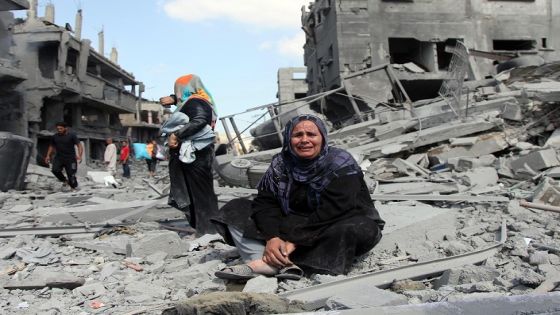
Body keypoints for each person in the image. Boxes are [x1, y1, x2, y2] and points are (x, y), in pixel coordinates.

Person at [214, 114, 385, 280]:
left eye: (311, 134)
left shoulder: (340, 162)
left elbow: (336, 209)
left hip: (335, 220)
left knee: (351, 229)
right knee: (236, 208)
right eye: (297, 135)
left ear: (323, 138)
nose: (304, 140)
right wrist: (272, 237)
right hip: (294, 222)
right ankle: (263, 258)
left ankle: (274, 262)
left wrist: (293, 241)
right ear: (289, 138)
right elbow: (266, 202)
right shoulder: (280, 164)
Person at [159, 74, 219, 235]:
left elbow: (200, 119)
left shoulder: (195, 102)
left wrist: (176, 135)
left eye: (177, 90)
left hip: (196, 156)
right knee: (197, 192)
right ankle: (204, 228)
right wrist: (174, 98)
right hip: (199, 154)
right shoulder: (198, 100)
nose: (176, 93)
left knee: (199, 193)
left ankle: (207, 231)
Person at [44, 122, 83, 190]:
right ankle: (65, 181)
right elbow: (51, 146)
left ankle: (74, 187)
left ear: (66, 128)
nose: (59, 130)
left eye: (61, 128)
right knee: (55, 170)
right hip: (59, 158)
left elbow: (79, 145)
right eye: (58, 129)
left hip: (71, 159)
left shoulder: (72, 135)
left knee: (71, 175)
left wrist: (80, 155)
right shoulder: (55, 137)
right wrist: (47, 156)